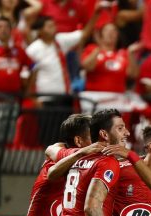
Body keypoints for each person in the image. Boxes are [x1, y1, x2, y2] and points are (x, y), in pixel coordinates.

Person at [26, 12, 98, 146]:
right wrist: (33, 99)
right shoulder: (33, 49)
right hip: (46, 100)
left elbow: (84, 34)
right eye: (49, 25)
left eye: (54, 24)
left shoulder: (60, 41)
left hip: (65, 98)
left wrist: (97, 13)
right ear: (40, 30)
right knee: (49, 138)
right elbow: (27, 75)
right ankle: (48, 166)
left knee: (65, 138)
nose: (53, 27)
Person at [0, 16, 34, 145]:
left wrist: (27, 89)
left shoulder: (18, 50)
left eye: (6, 27)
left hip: (12, 101)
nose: (3, 30)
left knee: (8, 139)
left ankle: (3, 165)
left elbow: (33, 67)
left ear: (11, 30)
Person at [78, 22, 145, 115]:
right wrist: (99, 48)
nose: (110, 33)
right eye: (107, 30)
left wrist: (130, 54)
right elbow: (86, 67)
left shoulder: (123, 53)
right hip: (94, 99)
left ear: (117, 35)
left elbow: (133, 75)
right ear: (101, 35)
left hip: (116, 100)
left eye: (114, 31)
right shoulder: (91, 49)